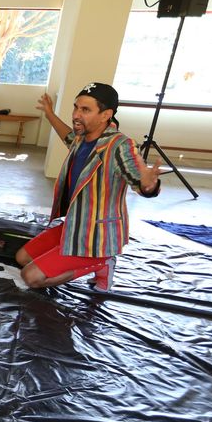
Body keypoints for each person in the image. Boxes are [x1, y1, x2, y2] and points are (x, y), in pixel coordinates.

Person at [17, 82, 162, 291]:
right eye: (76, 107)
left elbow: (139, 182)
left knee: (30, 277)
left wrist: (148, 185)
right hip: (75, 226)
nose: (76, 114)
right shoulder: (82, 137)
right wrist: (49, 114)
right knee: (22, 257)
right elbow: (67, 135)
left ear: (106, 115)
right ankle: (75, 258)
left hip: (97, 236)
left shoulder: (120, 146)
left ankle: (101, 262)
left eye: (85, 110)